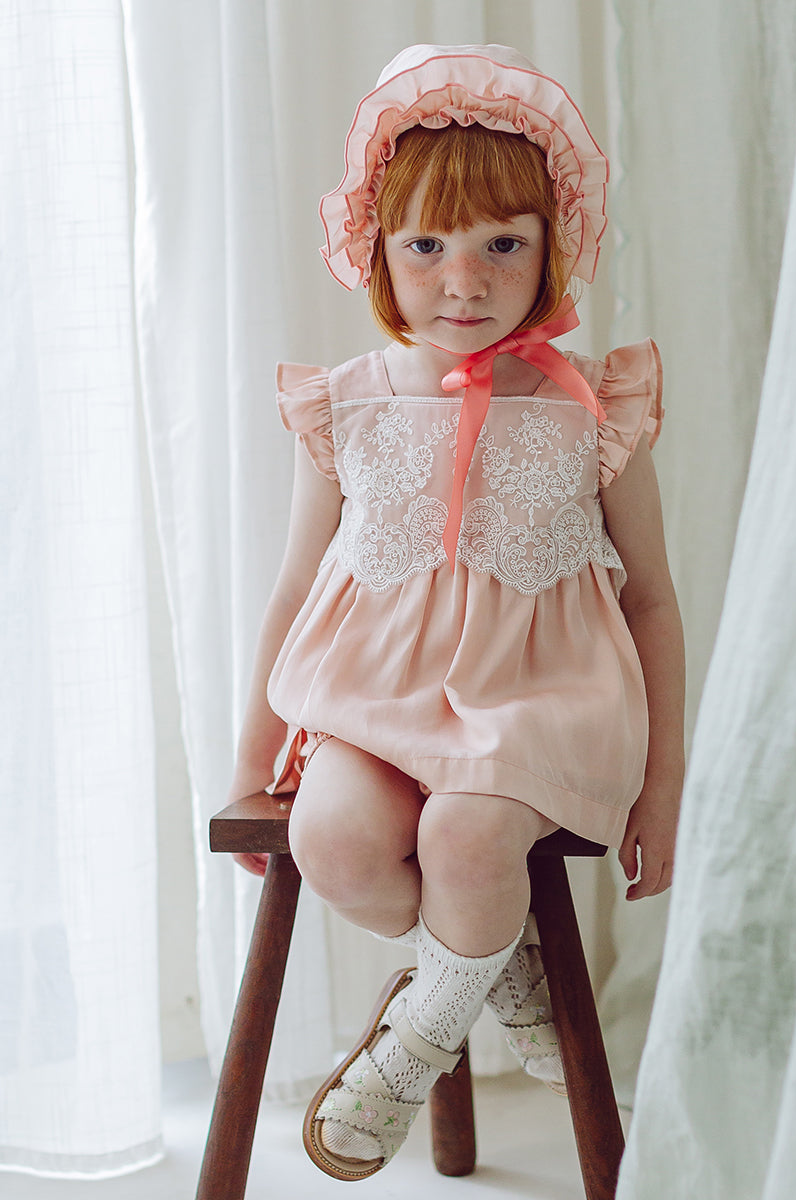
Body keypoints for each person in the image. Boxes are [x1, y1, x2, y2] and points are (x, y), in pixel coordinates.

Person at [226, 43, 685, 1181]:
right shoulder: (348, 403)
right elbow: (293, 583)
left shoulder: (593, 405)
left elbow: (653, 596)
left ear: (552, 246)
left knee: (468, 836)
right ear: (376, 248)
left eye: (502, 246)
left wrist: (666, 786)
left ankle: (413, 1043)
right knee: (335, 838)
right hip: (374, 702)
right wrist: (251, 755)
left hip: (541, 700)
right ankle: (490, 965)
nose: (464, 281)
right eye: (427, 246)